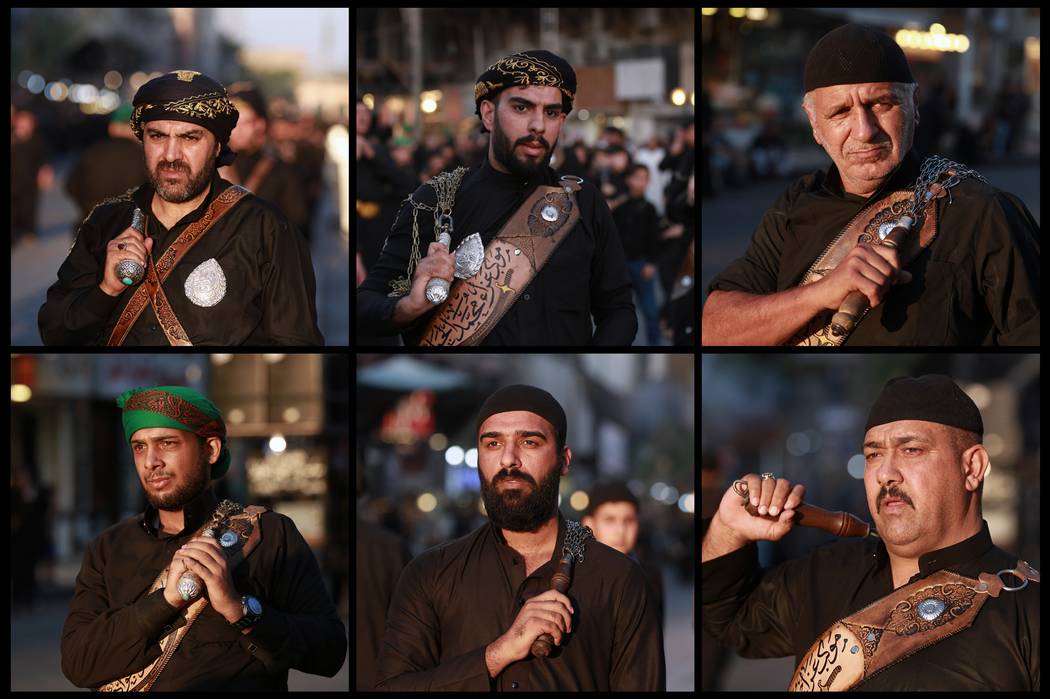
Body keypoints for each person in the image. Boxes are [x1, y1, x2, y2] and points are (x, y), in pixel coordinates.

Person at [702, 24, 1039, 346]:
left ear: (914, 106)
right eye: (839, 112)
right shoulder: (793, 206)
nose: (864, 130)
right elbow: (713, 330)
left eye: (881, 104)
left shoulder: (984, 213)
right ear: (815, 125)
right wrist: (820, 293)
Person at [702, 374, 1039, 690]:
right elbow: (728, 619)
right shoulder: (826, 574)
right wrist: (728, 528)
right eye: (874, 454)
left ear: (972, 467)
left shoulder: (1026, 610)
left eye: (912, 450)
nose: (885, 474)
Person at [375, 384, 664, 689]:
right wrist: (497, 654)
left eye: (529, 442)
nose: (509, 460)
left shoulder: (619, 580)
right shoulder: (430, 574)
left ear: (564, 460)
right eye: (493, 444)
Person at [61, 386, 346, 690]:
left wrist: (240, 610)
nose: (150, 462)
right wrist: (165, 602)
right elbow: (78, 663)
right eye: (139, 447)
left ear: (210, 450)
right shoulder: (108, 547)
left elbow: (329, 653)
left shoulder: (270, 534)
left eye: (166, 443)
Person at [357, 50, 637, 346]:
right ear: (489, 115)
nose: (538, 126)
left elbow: (619, 310)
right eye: (522, 108)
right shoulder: (436, 201)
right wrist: (408, 307)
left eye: (551, 113)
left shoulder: (584, 201)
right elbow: (364, 306)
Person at [39, 70, 323, 346]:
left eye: (190, 138)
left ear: (217, 147)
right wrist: (106, 290)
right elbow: (55, 333)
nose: (171, 155)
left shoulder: (267, 230)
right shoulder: (105, 222)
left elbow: (296, 340)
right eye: (157, 136)